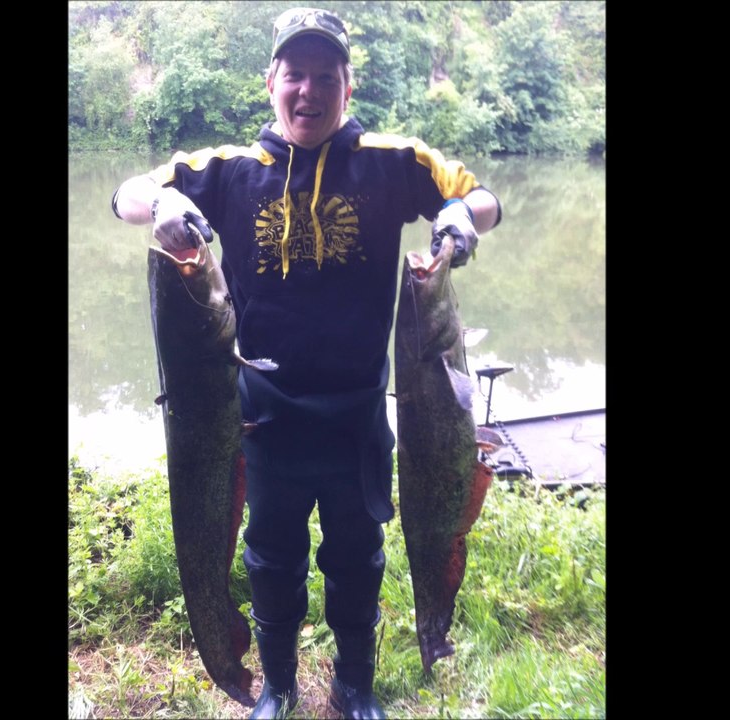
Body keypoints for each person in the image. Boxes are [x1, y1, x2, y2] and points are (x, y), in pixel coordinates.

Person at [111, 7, 501, 718]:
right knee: (270, 560)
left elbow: (483, 197)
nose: (309, 91)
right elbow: (126, 196)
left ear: (348, 89)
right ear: (271, 83)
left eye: (327, 76)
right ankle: (280, 686)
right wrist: (163, 202)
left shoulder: (391, 162)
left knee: (359, 558)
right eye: (296, 74)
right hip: (262, 422)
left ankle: (355, 684)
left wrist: (460, 218)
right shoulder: (228, 171)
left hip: (358, 417)